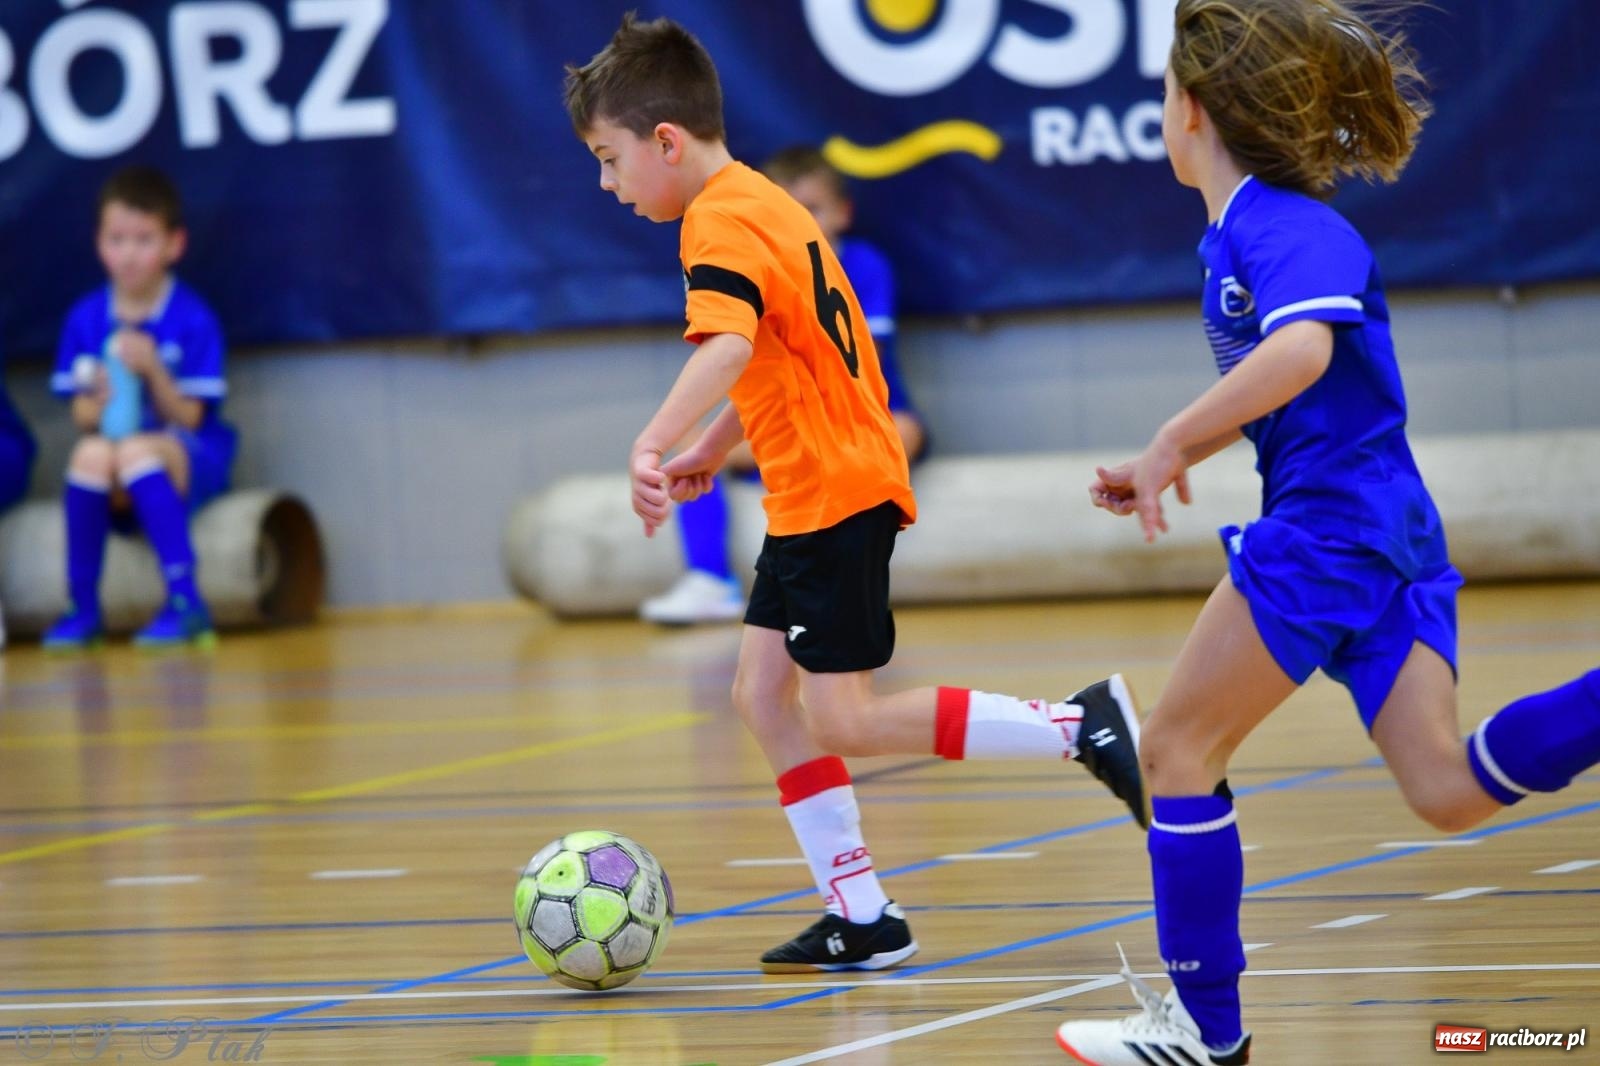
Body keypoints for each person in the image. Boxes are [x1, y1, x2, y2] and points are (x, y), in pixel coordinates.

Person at [1052, 2, 1600, 1063]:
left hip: (1335, 527)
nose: (1158, 113)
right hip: (1380, 527)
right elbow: (1290, 381)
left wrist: (1169, 442)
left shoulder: (1283, 223)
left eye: (1162, 94)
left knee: (1173, 747)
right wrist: (1175, 453)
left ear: (1193, 109)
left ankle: (1205, 1032)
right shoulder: (1243, 230)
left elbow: (1301, 352)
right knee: (1443, 788)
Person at [564, 14, 1146, 974]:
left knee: (841, 716)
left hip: (833, 489)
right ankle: (863, 916)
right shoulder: (768, 202)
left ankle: (1078, 726)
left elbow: (731, 345)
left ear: (664, 141)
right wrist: (714, 445)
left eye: (608, 157)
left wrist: (655, 439)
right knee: (762, 695)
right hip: (814, 484)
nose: (606, 183)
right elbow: (789, 360)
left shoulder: (717, 218)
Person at [639, 146, 926, 625]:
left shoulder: (863, 264)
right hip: (794, 416)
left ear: (841, 213)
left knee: (903, 430)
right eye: (789, 209)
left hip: (862, 415)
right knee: (690, 446)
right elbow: (745, 361)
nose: (802, 221)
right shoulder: (759, 264)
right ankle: (708, 575)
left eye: (811, 208)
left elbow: (849, 364)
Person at [44, 166, 237, 649]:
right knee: (88, 454)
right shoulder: (86, 319)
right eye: (117, 239)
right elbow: (81, 417)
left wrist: (153, 372)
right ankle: (83, 606)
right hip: (117, 463)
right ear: (99, 244)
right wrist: (100, 399)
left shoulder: (191, 317)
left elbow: (192, 417)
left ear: (174, 244)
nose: (128, 254)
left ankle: (185, 600)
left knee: (134, 452)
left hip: (185, 456)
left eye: (144, 239)